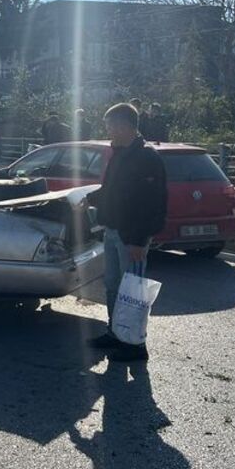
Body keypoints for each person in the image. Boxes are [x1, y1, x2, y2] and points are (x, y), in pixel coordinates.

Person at [86, 103, 168, 361]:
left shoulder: (147, 158)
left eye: (109, 125)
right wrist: (86, 198)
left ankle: (135, 344)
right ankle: (116, 332)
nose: (107, 130)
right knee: (112, 286)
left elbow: (154, 203)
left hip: (132, 237)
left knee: (133, 291)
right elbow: (111, 191)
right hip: (112, 231)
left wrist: (140, 240)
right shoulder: (119, 154)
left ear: (123, 126)